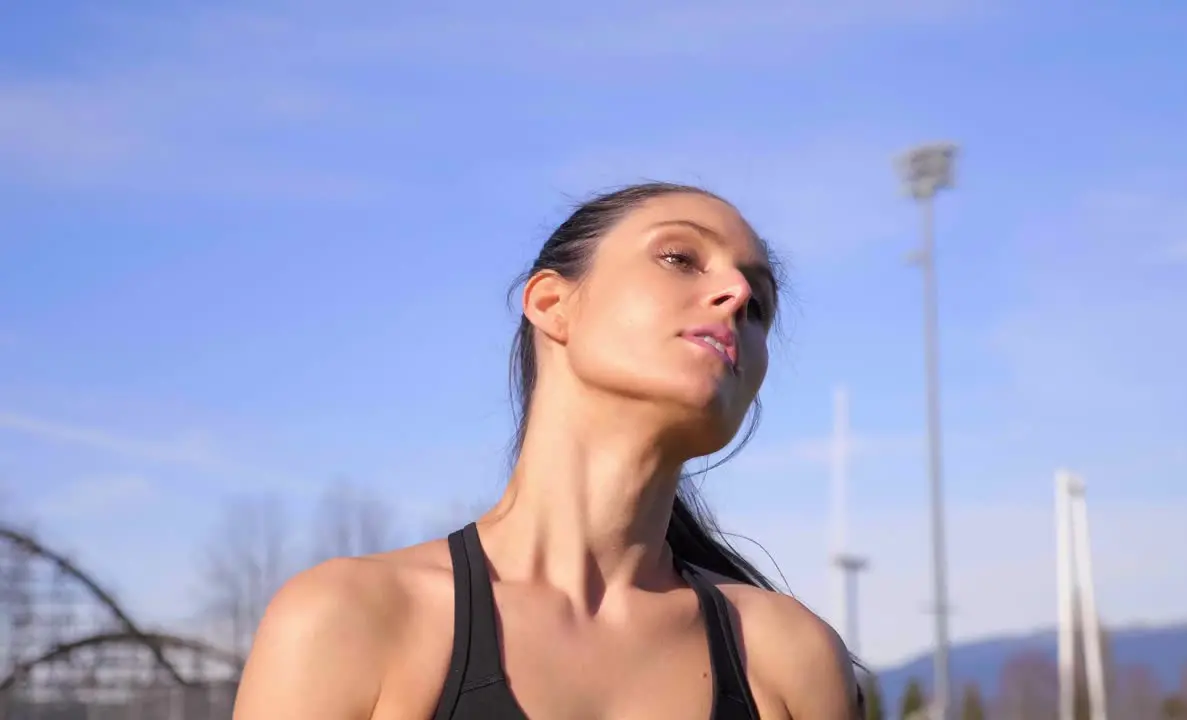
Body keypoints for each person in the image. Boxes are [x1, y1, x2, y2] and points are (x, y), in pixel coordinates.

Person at [233, 183, 863, 719]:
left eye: (759, 306)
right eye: (680, 258)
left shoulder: (789, 656)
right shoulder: (349, 620)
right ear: (552, 304)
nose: (735, 294)